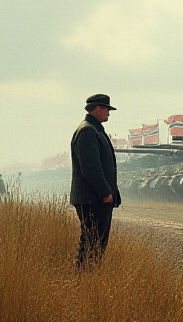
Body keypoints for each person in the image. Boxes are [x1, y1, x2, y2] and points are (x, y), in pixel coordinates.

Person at [70, 94, 121, 269]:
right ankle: (85, 278)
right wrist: (105, 192)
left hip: (95, 197)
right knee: (93, 243)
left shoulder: (93, 129)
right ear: (98, 108)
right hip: (93, 199)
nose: (109, 113)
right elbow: (91, 167)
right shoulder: (88, 131)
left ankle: (88, 279)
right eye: (107, 109)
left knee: (96, 243)